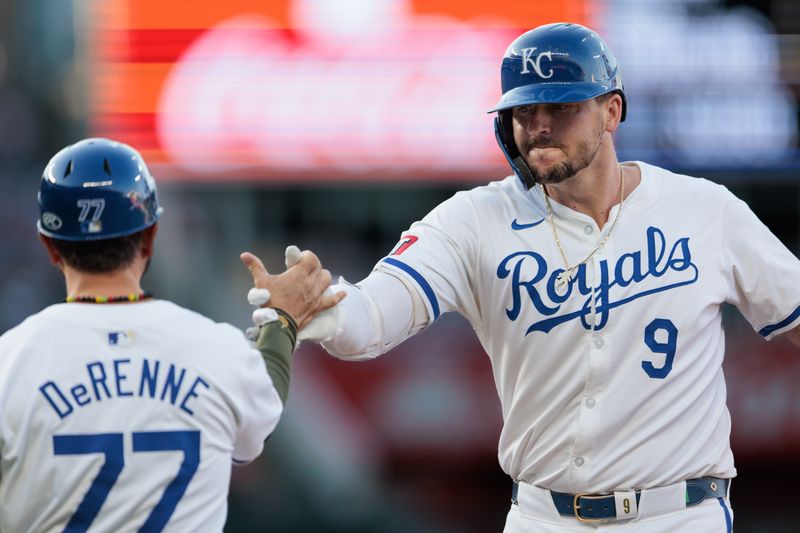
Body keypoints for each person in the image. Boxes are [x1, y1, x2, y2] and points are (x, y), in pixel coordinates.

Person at [288, 22, 800, 531]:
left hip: (680, 514)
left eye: (562, 107)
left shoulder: (704, 210)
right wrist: (329, 308)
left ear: (611, 112)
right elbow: (375, 315)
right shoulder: (474, 219)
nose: (539, 125)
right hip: (543, 517)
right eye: (524, 110)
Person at [0, 138, 343, 532]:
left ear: (49, 246)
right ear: (150, 237)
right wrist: (282, 319)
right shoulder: (217, 350)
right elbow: (267, 395)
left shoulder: (9, 361)